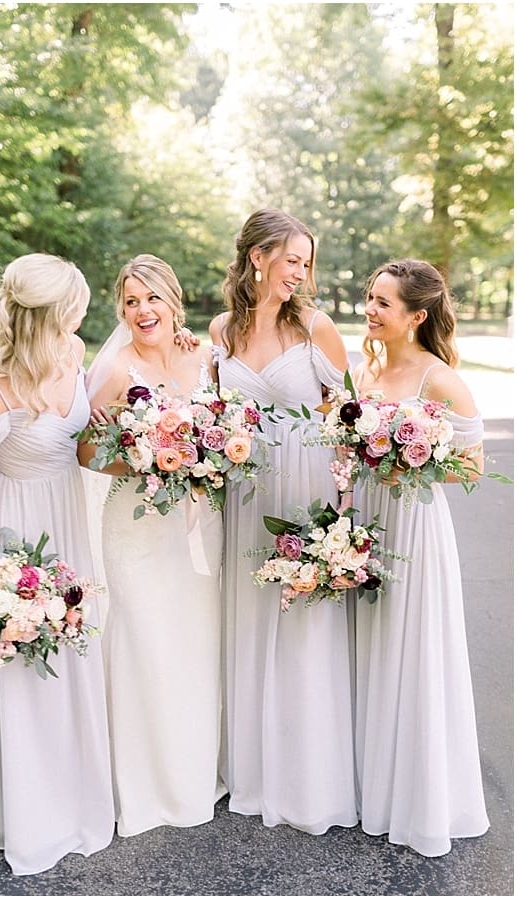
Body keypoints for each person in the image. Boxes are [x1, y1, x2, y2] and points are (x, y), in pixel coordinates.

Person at [0, 252, 114, 875]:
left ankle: (77, 800)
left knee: (73, 658)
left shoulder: (73, 353)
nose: (82, 316)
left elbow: (88, 437)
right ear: (48, 315)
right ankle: (29, 814)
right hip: (14, 540)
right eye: (73, 307)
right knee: (24, 670)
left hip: (68, 522)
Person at [209, 208, 358, 834]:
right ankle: (253, 769)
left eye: (306, 262)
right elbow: (209, 410)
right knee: (248, 620)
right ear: (257, 257)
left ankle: (310, 777)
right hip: (246, 494)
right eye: (291, 259)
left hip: (308, 488)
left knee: (304, 624)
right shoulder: (220, 330)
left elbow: (350, 417)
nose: (300, 272)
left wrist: (343, 513)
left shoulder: (316, 328)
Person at [80, 254, 225, 836]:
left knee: (192, 644)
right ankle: (139, 784)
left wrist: (204, 459)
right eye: (131, 302)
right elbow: (86, 453)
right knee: (144, 644)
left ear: (174, 302)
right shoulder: (116, 369)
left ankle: (191, 771)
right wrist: (145, 460)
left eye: (152, 299)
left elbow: (226, 427)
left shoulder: (203, 358)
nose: (142, 311)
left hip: (197, 527)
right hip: (136, 526)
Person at [351, 259, 489, 856]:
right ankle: (371, 784)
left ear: (417, 315)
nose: (370, 310)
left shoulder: (439, 379)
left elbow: (473, 468)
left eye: (383, 303)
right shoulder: (369, 368)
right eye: (370, 298)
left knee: (415, 650)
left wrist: (411, 459)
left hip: (415, 525)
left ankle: (420, 796)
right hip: (370, 519)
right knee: (373, 644)